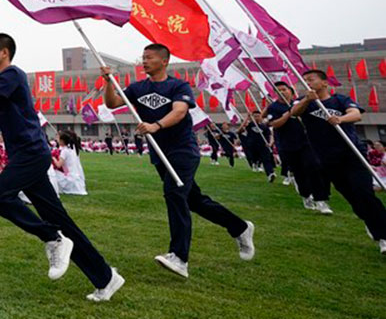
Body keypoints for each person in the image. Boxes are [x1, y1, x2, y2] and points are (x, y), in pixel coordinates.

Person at [0, 34, 124, 302]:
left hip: (31, 154)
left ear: (4, 52)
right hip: (26, 155)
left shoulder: (12, 75)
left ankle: (52, 238)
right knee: (62, 221)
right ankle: (105, 277)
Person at [103, 44, 254, 280]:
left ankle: (179, 257)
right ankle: (240, 227)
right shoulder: (137, 87)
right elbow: (112, 104)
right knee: (194, 200)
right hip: (159, 153)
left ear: (164, 61)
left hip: (182, 150)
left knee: (174, 195)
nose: (144, 61)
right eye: (143, 57)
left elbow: (180, 112)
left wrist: (156, 125)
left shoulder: (178, 86)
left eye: (149, 58)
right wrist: (108, 82)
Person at [292, 69, 386, 254]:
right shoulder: (305, 103)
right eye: (304, 81)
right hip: (327, 159)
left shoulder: (340, 100)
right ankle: (370, 220)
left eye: (311, 80)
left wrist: (340, 119)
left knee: (364, 193)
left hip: (352, 154)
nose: (307, 84)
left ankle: (383, 235)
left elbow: (356, 114)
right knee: (353, 198)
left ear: (325, 83)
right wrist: (307, 99)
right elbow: (295, 112)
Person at [264, 82, 331, 213]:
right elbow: (274, 124)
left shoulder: (300, 103)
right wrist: (289, 113)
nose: (282, 92)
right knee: (299, 172)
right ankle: (306, 195)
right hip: (287, 144)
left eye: (284, 89)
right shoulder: (273, 107)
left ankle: (321, 200)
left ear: (291, 91)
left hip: (306, 142)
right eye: (278, 91)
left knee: (314, 167)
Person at [53, 131, 87, 196]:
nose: (56, 140)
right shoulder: (70, 150)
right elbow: (66, 167)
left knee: (53, 173)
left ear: (62, 141)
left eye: (58, 138)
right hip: (75, 176)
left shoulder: (64, 151)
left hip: (70, 177)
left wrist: (53, 158)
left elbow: (58, 165)